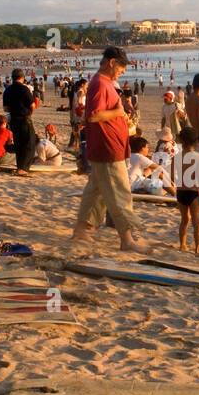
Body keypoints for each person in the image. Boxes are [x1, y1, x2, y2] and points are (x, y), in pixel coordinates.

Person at [72, 47, 151, 253]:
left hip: (105, 146)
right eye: (122, 67)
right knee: (119, 192)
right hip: (107, 147)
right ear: (112, 62)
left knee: (96, 190)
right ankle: (127, 240)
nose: (123, 71)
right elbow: (94, 116)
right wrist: (118, 111)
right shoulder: (99, 84)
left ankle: (81, 229)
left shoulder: (103, 83)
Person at [174, 126, 199, 254]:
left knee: (184, 220)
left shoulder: (177, 156)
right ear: (196, 141)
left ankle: (182, 245)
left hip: (181, 191)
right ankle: (198, 247)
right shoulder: (198, 157)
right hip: (193, 192)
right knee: (196, 222)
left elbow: (173, 175)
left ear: (182, 141)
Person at [3, 68, 38, 175]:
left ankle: (20, 167)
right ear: (22, 78)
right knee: (29, 143)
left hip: (13, 119)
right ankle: (23, 168)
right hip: (24, 118)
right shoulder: (24, 89)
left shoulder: (8, 89)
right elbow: (32, 105)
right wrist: (29, 113)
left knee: (18, 144)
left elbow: (5, 108)